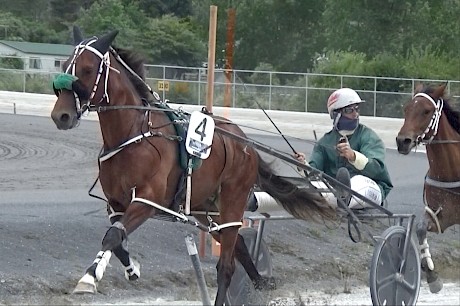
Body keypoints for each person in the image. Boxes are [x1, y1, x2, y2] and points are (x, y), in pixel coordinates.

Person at [247, 88, 393, 212]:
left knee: (357, 182)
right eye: (349, 110)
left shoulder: (368, 136)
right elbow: (313, 176)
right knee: (309, 188)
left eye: (357, 109)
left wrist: (353, 156)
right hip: (332, 191)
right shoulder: (325, 142)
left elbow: (377, 169)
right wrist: (302, 165)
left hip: (371, 190)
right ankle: (256, 200)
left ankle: (344, 196)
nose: (355, 113)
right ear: (336, 114)